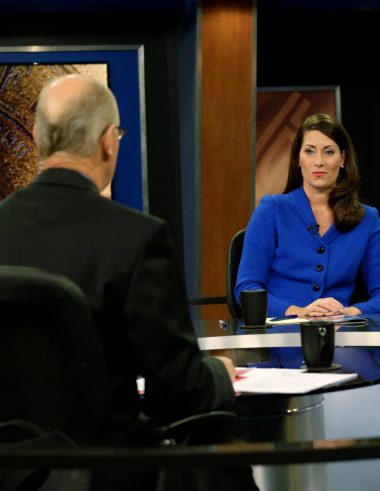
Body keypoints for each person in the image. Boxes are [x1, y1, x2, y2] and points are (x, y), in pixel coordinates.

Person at [0, 76, 242, 453]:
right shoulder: (137, 238)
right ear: (108, 141)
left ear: (36, 136)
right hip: (108, 472)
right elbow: (180, 392)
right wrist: (220, 374)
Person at [235, 113, 380, 318]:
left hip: (339, 335)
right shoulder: (271, 210)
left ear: (343, 159)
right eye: (310, 151)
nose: (319, 162)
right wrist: (298, 312)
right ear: (298, 158)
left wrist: (346, 312)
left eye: (329, 152)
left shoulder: (367, 219)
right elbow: (246, 289)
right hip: (280, 335)